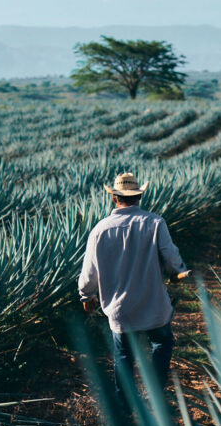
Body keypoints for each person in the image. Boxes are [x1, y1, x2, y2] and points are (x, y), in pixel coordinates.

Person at [78, 172, 190, 405]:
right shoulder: (155, 222)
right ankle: (157, 396)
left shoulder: (100, 229)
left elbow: (90, 269)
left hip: (121, 309)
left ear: (113, 198)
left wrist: (86, 295)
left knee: (124, 355)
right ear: (139, 196)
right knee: (162, 342)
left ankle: (126, 403)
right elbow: (171, 257)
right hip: (153, 304)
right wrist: (177, 271)